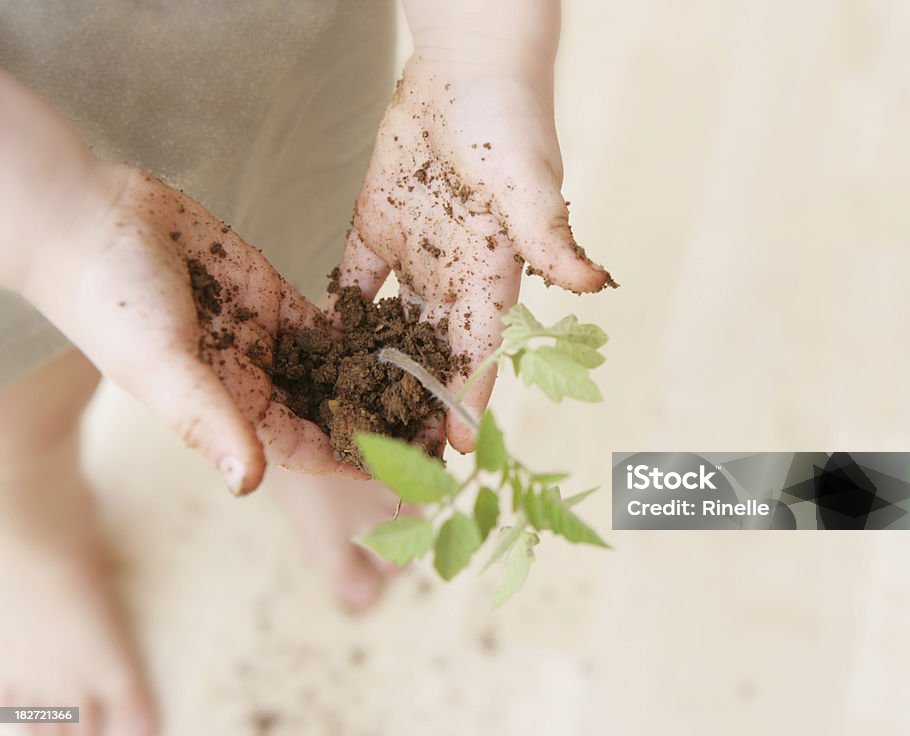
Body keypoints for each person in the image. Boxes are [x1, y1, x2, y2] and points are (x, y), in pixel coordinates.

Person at [0, 0, 612, 732]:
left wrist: (481, 48)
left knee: (302, 254)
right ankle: (32, 534)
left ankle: (309, 418)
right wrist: (58, 224)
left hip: (289, 58)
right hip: (20, 183)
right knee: (20, 414)